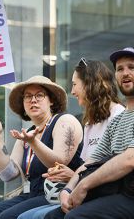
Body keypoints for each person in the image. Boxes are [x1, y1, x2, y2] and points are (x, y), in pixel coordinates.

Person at [45, 47, 134, 219]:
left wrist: (84, 185)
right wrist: (68, 190)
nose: (125, 73)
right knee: (53, 217)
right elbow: (91, 161)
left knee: (76, 217)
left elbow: (130, 160)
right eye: (120, 69)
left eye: (132, 67)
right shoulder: (117, 120)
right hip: (125, 194)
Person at [17, 59, 125, 219]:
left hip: (108, 193)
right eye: (27, 97)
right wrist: (70, 184)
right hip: (85, 192)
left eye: (74, 84)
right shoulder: (89, 123)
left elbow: (116, 166)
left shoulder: (118, 115)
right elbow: (87, 165)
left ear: (90, 83)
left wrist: (74, 180)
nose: (72, 91)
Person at [0, 75, 83, 219]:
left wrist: (33, 142)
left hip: (58, 193)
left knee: (8, 217)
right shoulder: (27, 134)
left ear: (51, 101)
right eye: (28, 96)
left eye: (39, 95)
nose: (33, 100)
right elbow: (8, 174)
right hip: (31, 195)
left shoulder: (64, 121)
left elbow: (59, 163)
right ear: (23, 105)